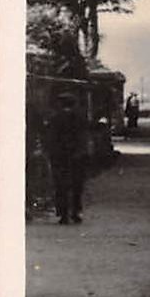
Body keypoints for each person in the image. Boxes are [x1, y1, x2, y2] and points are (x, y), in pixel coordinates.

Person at [46, 94, 86, 225]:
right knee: (76, 184)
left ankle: (63, 214)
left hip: (59, 156)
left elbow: (51, 138)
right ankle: (76, 212)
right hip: (76, 155)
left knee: (60, 184)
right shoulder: (79, 118)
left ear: (60, 104)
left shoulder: (55, 118)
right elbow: (82, 136)